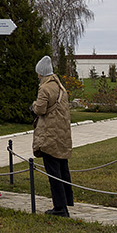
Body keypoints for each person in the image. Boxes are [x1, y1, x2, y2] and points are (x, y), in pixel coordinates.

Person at [31, 55, 73, 217]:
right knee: (63, 170)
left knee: (53, 172)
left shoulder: (45, 89)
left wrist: (33, 105)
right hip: (61, 134)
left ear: (41, 73)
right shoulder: (60, 87)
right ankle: (65, 203)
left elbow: (40, 109)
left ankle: (60, 207)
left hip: (49, 134)